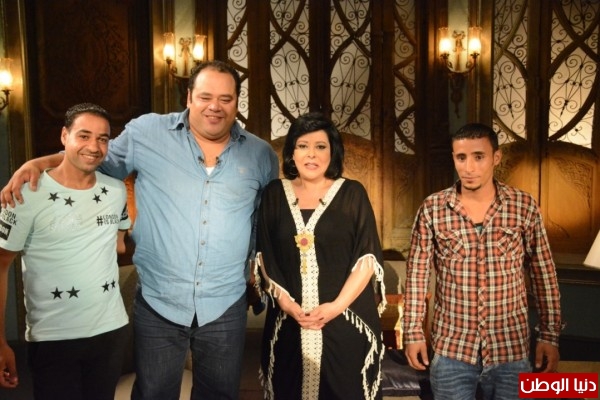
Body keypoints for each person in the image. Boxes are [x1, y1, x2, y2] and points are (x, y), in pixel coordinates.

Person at [0, 60, 280, 400]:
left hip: (225, 303)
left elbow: (265, 221)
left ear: (237, 101)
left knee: (220, 395)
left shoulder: (261, 155)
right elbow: (92, 158)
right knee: (153, 394)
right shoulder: (147, 133)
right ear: (189, 97)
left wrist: (256, 278)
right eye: (206, 96)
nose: (215, 107)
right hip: (159, 302)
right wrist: (39, 163)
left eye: (226, 98)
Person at [402, 123, 562, 399]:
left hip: (510, 349)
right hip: (452, 350)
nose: (469, 167)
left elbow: (543, 273)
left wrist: (549, 335)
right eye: (461, 157)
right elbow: (417, 276)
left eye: (479, 157)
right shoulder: (433, 208)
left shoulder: (522, 206)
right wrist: (413, 333)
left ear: (495, 158)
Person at [0, 103, 131, 399]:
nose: (94, 147)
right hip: (53, 337)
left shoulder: (116, 190)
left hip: (111, 330)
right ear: (64, 136)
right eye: (83, 136)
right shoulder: (24, 193)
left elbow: (118, 244)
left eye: (102, 139)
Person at [254, 112, 385, 400]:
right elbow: (265, 256)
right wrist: (288, 305)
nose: (311, 154)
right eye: (302, 146)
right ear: (291, 152)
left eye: (320, 146)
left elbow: (366, 259)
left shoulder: (352, 193)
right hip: (289, 322)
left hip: (344, 322)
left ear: (332, 151)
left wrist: (335, 307)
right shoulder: (274, 194)